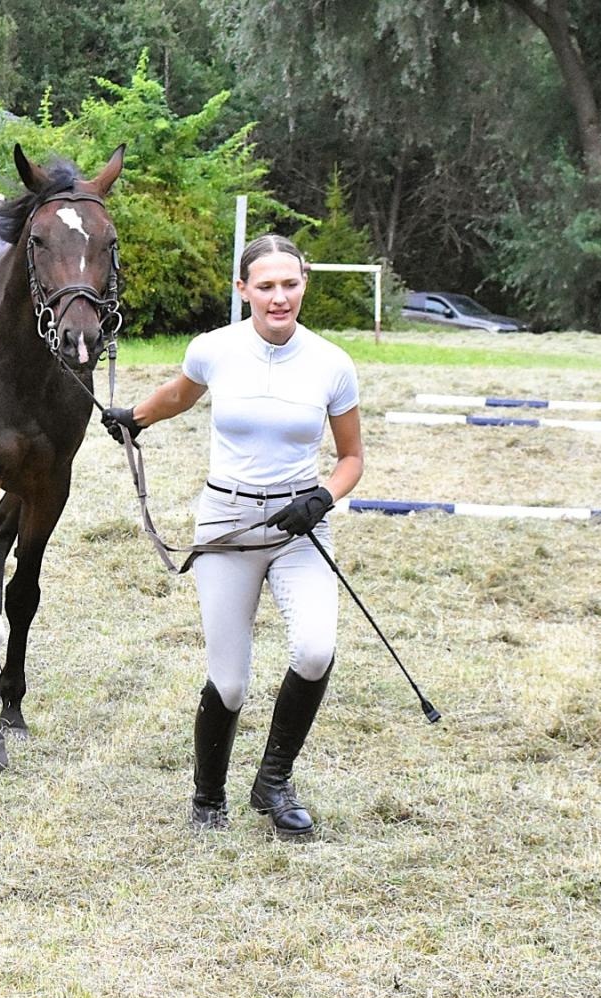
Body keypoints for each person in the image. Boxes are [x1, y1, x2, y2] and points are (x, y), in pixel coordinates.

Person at [101, 235, 364, 837]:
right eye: (265, 286)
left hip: (300, 525)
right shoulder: (213, 349)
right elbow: (178, 395)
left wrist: (323, 496)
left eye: (290, 284)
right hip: (228, 523)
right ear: (243, 290)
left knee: (317, 649)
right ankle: (208, 794)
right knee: (230, 678)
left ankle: (273, 780)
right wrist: (135, 418)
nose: (279, 297)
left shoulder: (332, 363)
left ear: (304, 285)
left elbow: (351, 457)